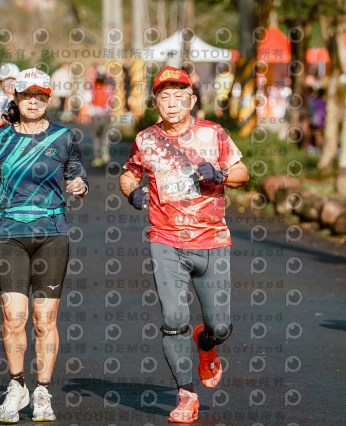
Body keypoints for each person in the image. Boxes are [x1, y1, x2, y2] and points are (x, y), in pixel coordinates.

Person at [119, 66, 249, 423]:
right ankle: (186, 395)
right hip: (165, 240)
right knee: (173, 320)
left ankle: (206, 346)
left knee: (219, 327)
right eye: (165, 96)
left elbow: (242, 173)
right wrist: (132, 192)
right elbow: (129, 174)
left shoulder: (213, 132)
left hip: (213, 241)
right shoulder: (146, 139)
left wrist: (221, 175)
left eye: (179, 96)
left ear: (191, 100)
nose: (172, 103)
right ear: (156, 103)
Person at [0, 68, 88, 422]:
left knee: (44, 319)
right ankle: (16, 386)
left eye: (40, 96)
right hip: (10, 232)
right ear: (17, 98)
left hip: (52, 233)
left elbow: (78, 174)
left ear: (48, 99)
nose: (34, 102)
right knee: (13, 318)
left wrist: (79, 186)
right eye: (27, 95)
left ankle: (42, 391)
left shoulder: (64, 137)